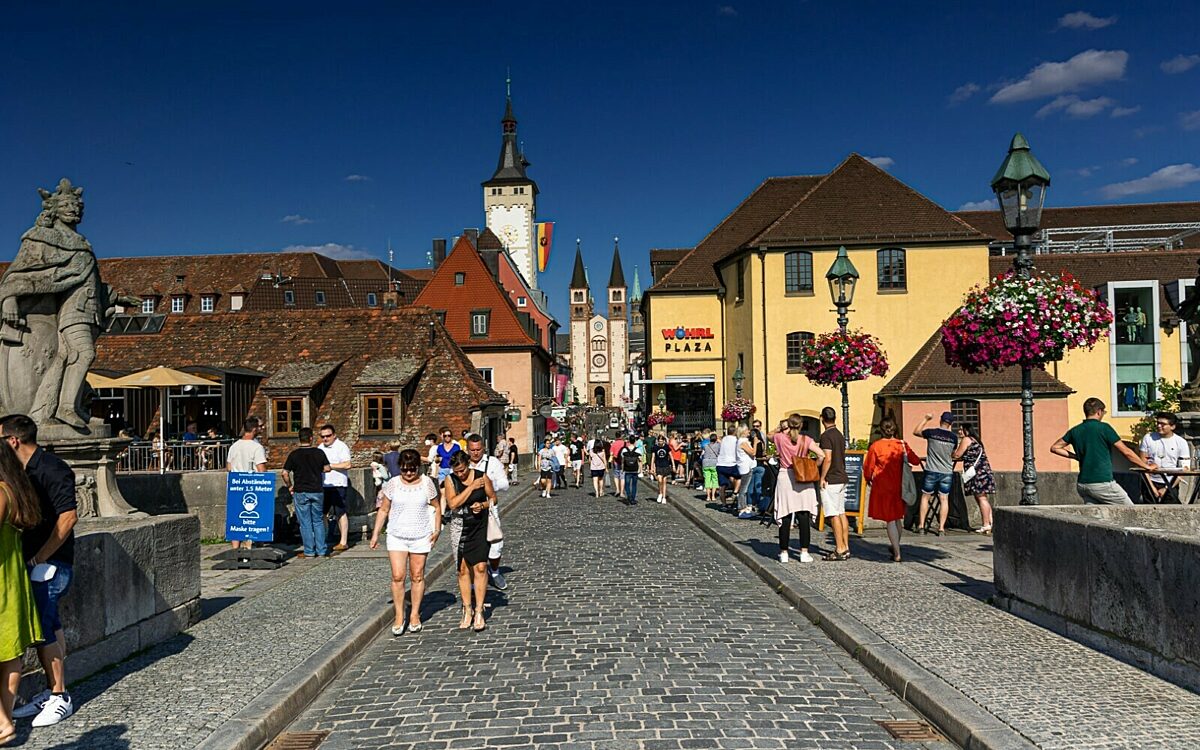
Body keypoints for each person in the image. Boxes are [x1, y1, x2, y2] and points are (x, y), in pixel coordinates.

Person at [0, 415, 77, 727]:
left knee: (44, 626)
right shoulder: (19, 472)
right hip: (33, 562)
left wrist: (39, 558)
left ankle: (60, 696)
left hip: (50, 563)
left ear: (13, 440)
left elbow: (69, 517)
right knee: (50, 624)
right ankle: (54, 690)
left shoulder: (52, 468)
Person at [0, 438, 43, 744]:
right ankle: (4, 717)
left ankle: (2, 722)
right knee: (10, 656)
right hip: (12, 579)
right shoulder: (17, 490)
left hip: (0, 578)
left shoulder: (0, 491)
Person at [371, 449, 440, 635]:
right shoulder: (393, 484)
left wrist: (437, 529)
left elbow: (436, 506)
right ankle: (399, 615)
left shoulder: (426, 483)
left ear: (418, 467)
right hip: (397, 534)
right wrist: (376, 533)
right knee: (398, 575)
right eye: (404, 470)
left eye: (412, 469)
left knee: (417, 575)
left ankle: (415, 614)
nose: (409, 473)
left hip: (420, 534)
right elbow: (384, 509)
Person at [1051, 397, 1157, 504]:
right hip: (1102, 482)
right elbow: (1126, 451)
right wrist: (1147, 467)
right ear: (1099, 412)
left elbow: (1055, 448)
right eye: (1103, 412)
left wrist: (1076, 456)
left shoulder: (1075, 430)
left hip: (1083, 484)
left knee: (1095, 517)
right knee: (1130, 511)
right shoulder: (1104, 428)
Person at [443, 451, 494, 632]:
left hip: (479, 526)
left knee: (480, 567)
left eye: (463, 470)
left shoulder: (482, 477)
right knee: (463, 569)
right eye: (457, 472)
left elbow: (493, 499)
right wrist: (471, 487)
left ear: (468, 465)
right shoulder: (450, 481)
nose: (460, 474)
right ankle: (467, 608)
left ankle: (479, 610)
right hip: (460, 527)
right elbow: (453, 504)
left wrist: (482, 505)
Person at [864, 417, 921, 562]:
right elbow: (915, 460)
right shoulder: (901, 445)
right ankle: (896, 545)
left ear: (881, 430)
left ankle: (897, 552)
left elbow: (868, 467)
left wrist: (868, 478)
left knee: (890, 520)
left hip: (883, 486)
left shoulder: (876, 446)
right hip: (900, 486)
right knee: (897, 519)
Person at [772, 414, 826, 563]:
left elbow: (769, 435)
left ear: (789, 425)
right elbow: (821, 455)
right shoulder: (806, 440)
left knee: (785, 514)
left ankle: (784, 552)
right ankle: (804, 552)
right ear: (801, 425)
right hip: (803, 476)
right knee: (803, 514)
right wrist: (814, 466)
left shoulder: (780, 438)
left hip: (786, 476)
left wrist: (780, 428)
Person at [466, 434, 510, 591]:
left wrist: (488, 485)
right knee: (471, 547)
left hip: (489, 509)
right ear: (467, 449)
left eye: (478, 449)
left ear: (483, 448)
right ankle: (472, 581)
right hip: (468, 510)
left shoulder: (492, 463)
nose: (476, 453)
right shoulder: (463, 463)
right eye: (472, 450)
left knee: (495, 543)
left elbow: (505, 485)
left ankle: (495, 571)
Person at [281, 427, 331, 558]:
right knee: (318, 521)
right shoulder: (319, 453)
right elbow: (327, 468)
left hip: (301, 491)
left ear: (299, 439)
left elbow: (284, 473)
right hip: (317, 490)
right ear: (311, 438)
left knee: (305, 523)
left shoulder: (294, 454)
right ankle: (321, 550)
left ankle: (309, 551)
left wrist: (290, 486)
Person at [912, 411, 958, 536]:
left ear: (940, 420)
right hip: (947, 471)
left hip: (932, 469)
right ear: (951, 424)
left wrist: (926, 419)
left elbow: (916, 431)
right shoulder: (954, 438)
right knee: (944, 499)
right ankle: (941, 528)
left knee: (925, 497)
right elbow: (953, 454)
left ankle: (921, 526)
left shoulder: (931, 433)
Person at [225, 417, 267, 551]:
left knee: (236, 517)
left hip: (236, 485)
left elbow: (229, 467)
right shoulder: (257, 447)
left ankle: (235, 548)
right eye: (260, 427)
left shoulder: (234, 446)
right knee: (253, 517)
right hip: (252, 485)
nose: (262, 429)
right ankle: (251, 545)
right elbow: (261, 470)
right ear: (254, 429)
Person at [818, 407, 851, 560]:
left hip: (831, 479)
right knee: (841, 512)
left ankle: (839, 548)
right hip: (842, 477)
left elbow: (828, 458)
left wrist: (822, 477)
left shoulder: (826, 436)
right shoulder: (839, 434)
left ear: (821, 418)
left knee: (832, 514)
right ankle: (846, 546)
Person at [952, 423, 996, 533]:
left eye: (961, 430)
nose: (959, 432)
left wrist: (952, 453)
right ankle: (990, 522)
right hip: (983, 471)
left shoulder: (967, 439)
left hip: (977, 474)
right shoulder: (976, 440)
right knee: (982, 497)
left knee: (981, 498)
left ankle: (986, 524)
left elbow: (957, 455)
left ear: (967, 430)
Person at [1139, 412, 1191, 504]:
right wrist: (1151, 487)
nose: (1159, 426)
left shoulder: (1181, 442)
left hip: (1171, 482)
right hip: (1151, 481)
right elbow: (1143, 463)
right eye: (1158, 423)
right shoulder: (1148, 438)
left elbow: (1184, 468)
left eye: (1163, 424)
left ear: (1172, 427)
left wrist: (1167, 488)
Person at [318, 424, 353, 552]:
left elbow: (348, 464)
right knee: (322, 513)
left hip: (338, 484)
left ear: (334, 435)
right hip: (324, 484)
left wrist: (330, 466)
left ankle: (343, 541)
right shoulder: (320, 447)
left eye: (328, 436)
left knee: (340, 512)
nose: (325, 439)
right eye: (323, 436)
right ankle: (324, 538)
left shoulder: (341, 446)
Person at [715, 425, 741, 509]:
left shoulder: (724, 439)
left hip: (720, 464)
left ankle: (724, 504)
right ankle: (735, 493)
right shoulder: (736, 440)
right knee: (739, 477)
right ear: (735, 432)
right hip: (731, 463)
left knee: (722, 486)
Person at [735, 426, 758, 518]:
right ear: (743, 432)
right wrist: (755, 443)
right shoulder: (743, 442)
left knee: (745, 488)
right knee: (744, 489)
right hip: (745, 467)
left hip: (747, 466)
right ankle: (741, 508)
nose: (749, 431)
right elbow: (753, 452)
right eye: (747, 430)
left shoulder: (743, 441)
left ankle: (744, 507)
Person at [747, 420, 768, 512]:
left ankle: (750, 504)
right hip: (760, 464)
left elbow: (754, 454)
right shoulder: (761, 441)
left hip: (754, 464)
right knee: (757, 486)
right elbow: (763, 453)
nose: (756, 428)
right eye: (754, 426)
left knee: (751, 486)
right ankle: (758, 504)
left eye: (757, 426)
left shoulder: (750, 442)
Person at [618, 435, 642, 506]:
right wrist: (640, 469)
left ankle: (629, 496)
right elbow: (640, 460)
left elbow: (622, 460)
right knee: (634, 485)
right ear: (634, 441)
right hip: (635, 469)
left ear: (628, 441)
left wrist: (622, 468)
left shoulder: (624, 450)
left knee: (627, 485)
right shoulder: (637, 450)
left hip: (627, 469)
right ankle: (633, 499)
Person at [653, 434, 673, 503]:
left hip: (665, 465)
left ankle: (664, 497)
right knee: (659, 480)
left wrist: (673, 465)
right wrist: (652, 467)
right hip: (658, 465)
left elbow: (671, 456)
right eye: (659, 441)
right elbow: (653, 457)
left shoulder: (666, 447)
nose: (660, 442)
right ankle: (660, 493)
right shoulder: (655, 447)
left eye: (661, 441)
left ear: (664, 441)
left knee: (664, 482)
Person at [701, 432, 720, 503]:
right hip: (714, 463)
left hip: (706, 463)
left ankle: (708, 496)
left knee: (707, 480)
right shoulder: (718, 445)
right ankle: (713, 496)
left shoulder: (706, 446)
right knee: (714, 479)